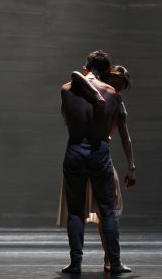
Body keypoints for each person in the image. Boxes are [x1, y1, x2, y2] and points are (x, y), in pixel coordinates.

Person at [59, 51, 132, 274]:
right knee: (107, 211)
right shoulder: (113, 94)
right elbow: (116, 131)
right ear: (106, 71)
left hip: (75, 148)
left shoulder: (66, 89)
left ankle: (76, 262)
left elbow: (66, 118)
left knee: (75, 211)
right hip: (99, 150)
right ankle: (115, 262)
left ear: (87, 67)